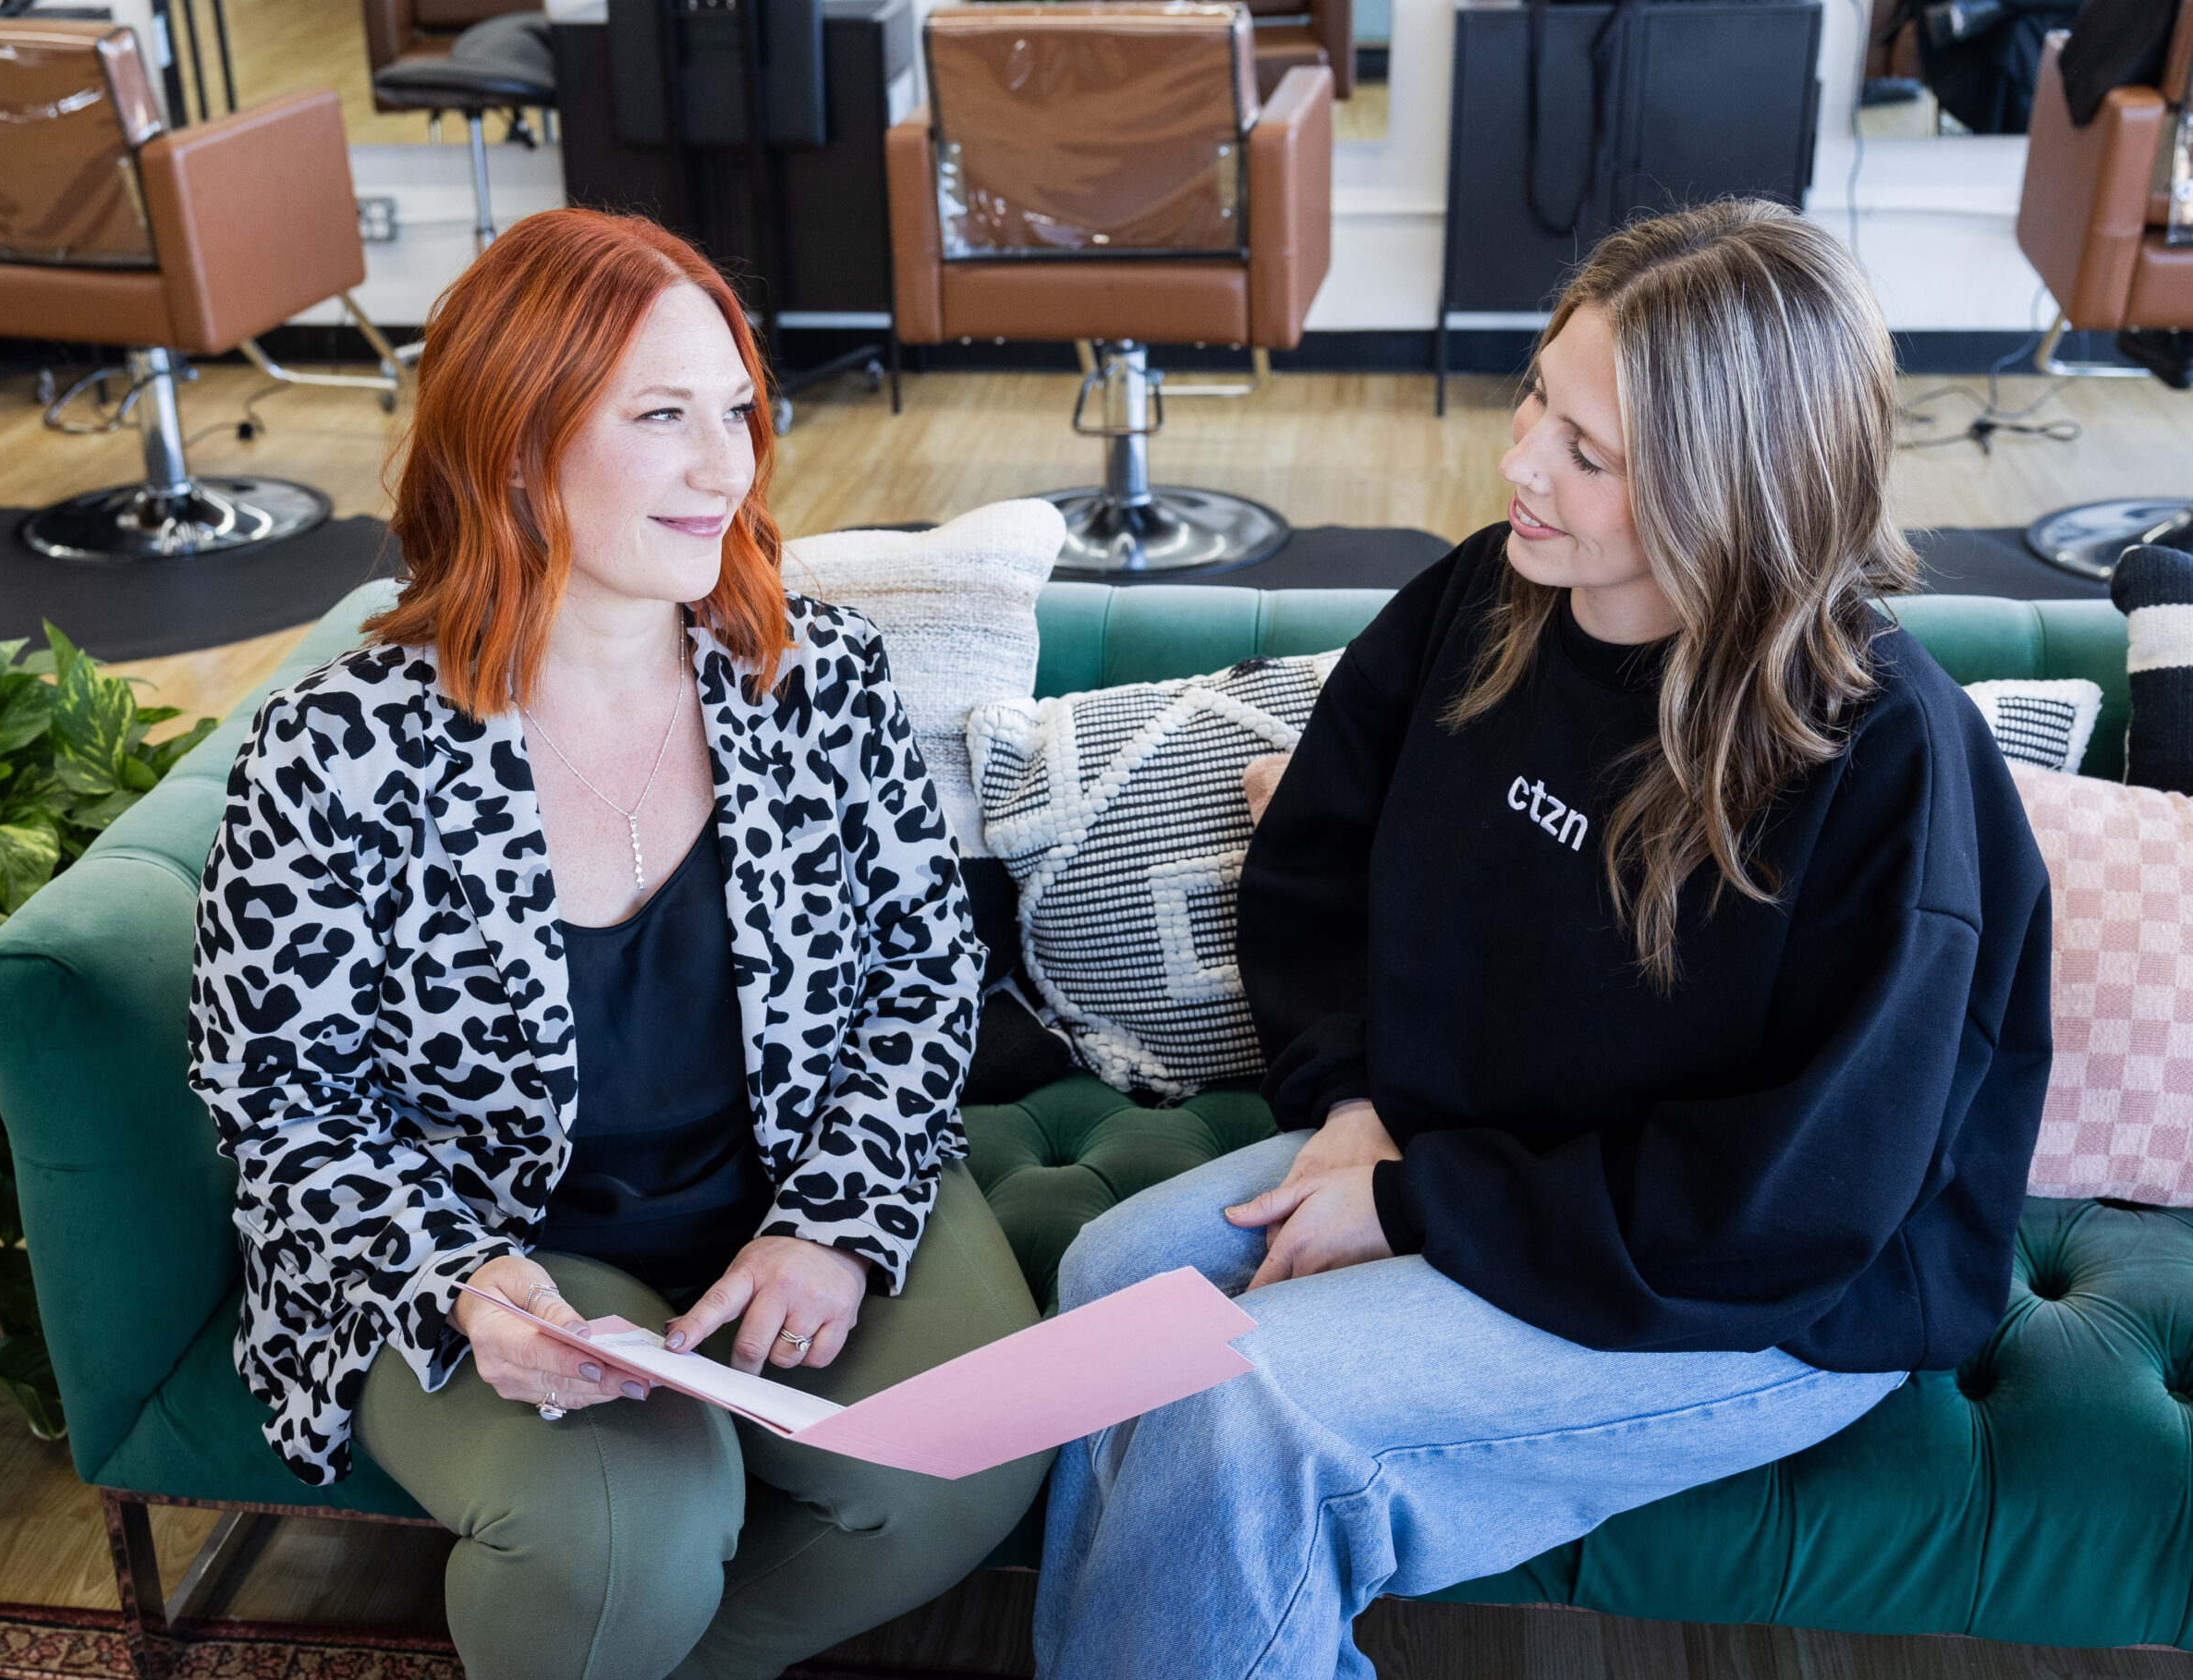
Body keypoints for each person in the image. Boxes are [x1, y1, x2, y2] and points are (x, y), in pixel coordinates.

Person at [1034, 201, 2053, 1680]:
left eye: (1589, 455)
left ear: (1736, 488)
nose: (1519, 464)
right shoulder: (1491, 596)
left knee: (1240, 1402)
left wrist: (1414, 1205)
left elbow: (1781, 1209)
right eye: (1537, 402)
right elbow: (1318, 859)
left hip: (1764, 1293)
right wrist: (1359, 1107)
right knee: (1108, 1295)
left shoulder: (1887, 761)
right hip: (1469, 1158)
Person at [189, 208, 1046, 1680]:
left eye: (736, 412)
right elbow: (276, 1097)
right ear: (516, 444)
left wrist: (834, 1219)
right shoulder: (336, 743)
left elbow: (923, 966)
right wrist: (458, 1277)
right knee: (621, 1544)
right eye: (665, 418)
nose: (729, 467)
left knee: (967, 1450)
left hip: (784, 1176)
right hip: (492, 1244)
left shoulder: (814, 672)